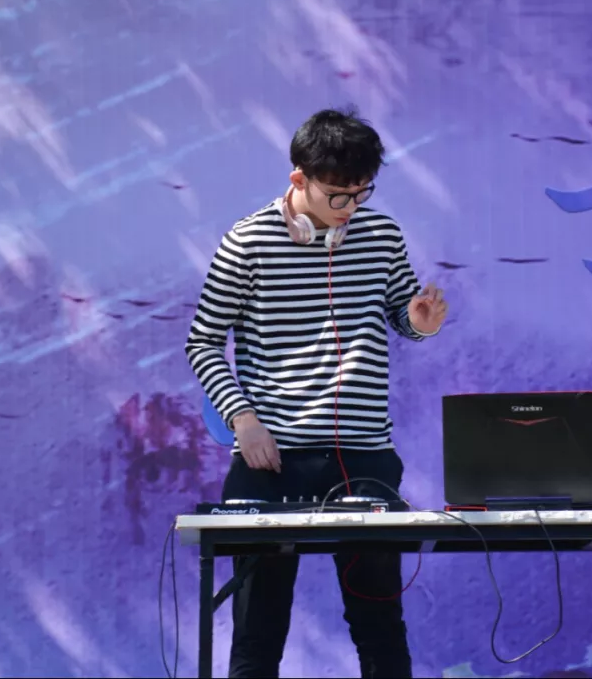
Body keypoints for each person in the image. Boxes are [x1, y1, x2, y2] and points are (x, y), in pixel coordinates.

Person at [185, 107, 449, 678]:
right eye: (337, 195)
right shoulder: (247, 242)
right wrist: (244, 420)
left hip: (365, 458)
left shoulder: (382, 235)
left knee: (380, 627)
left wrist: (419, 323)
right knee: (258, 633)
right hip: (272, 461)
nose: (350, 207)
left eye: (361, 193)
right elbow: (202, 342)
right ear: (298, 178)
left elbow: (403, 316)